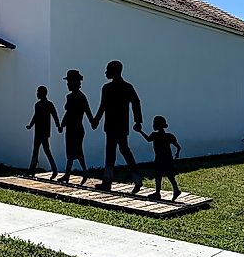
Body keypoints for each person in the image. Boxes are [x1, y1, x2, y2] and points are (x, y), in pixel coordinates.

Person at [91, 60, 143, 192]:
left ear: (114, 71)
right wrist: (137, 121)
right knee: (123, 150)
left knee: (112, 152)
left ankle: (108, 182)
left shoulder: (107, 88)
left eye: (107, 69)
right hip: (121, 124)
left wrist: (96, 120)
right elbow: (136, 102)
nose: (105, 72)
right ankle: (136, 179)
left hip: (112, 124)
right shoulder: (127, 87)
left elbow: (102, 106)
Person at [58, 69, 94, 184]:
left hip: (76, 128)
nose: (68, 84)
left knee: (76, 151)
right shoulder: (72, 97)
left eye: (69, 82)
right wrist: (62, 124)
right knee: (72, 151)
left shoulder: (79, 97)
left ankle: (79, 172)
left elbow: (86, 111)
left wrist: (93, 122)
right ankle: (71, 173)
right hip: (72, 127)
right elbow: (68, 113)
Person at [135, 115, 182, 201]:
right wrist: (177, 153)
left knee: (158, 176)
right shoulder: (169, 136)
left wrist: (140, 131)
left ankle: (157, 193)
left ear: (156, 125)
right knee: (170, 175)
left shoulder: (154, 135)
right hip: (168, 159)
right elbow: (178, 146)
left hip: (159, 159)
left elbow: (148, 139)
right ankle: (176, 189)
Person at [26, 86, 60, 178]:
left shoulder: (49, 104)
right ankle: (32, 170)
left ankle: (54, 170)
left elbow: (55, 115)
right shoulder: (37, 105)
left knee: (46, 151)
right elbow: (35, 116)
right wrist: (31, 124)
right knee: (35, 151)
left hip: (44, 132)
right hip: (38, 131)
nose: (37, 94)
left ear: (43, 93)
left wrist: (58, 125)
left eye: (38, 92)